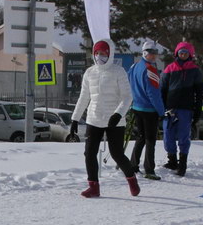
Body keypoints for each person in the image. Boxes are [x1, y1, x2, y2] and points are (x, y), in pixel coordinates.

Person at [70, 38, 139, 198]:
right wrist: (75, 119)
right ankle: (93, 186)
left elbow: (127, 97)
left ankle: (131, 178)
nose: (99, 56)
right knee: (89, 153)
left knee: (116, 154)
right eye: (97, 53)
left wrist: (118, 114)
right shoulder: (89, 73)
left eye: (103, 53)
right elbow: (83, 97)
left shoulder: (118, 72)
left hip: (114, 120)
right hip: (94, 118)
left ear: (110, 54)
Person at [159, 41, 203, 177]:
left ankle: (182, 164)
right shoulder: (169, 69)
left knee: (184, 136)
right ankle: (172, 160)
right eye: (181, 52)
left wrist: (197, 111)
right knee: (168, 135)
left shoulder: (195, 70)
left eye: (185, 52)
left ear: (190, 54)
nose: (183, 54)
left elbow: (199, 92)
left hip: (186, 108)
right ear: (176, 53)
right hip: (170, 107)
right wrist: (161, 108)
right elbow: (162, 90)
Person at [128, 39, 166, 180]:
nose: (154, 56)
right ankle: (149, 169)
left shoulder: (134, 66)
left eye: (155, 53)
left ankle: (133, 165)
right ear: (145, 53)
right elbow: (154, 94)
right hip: (149, 110)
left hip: (137, 107)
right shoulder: (150, 70)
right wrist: (161, 112)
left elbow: (129, 81)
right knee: (150, 140)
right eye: (151, 53)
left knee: (141, 137)